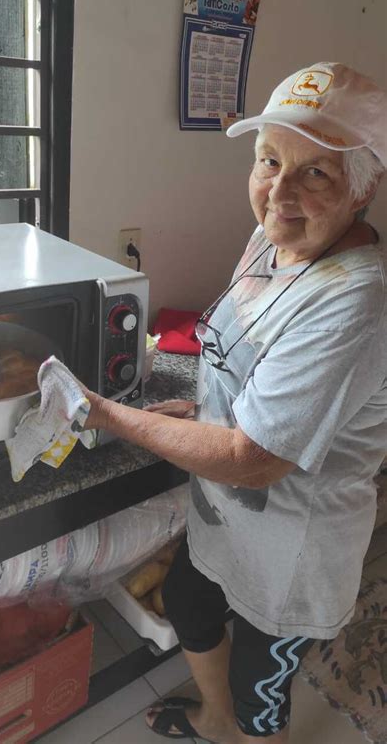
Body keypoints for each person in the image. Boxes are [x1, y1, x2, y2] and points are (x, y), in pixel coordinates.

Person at [83, 62, 387, 742]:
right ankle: (215, 720)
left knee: (262, 698)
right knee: (189, 602)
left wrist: (112, 416)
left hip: (291, 560)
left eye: (316, 172)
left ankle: (241, 727)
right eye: (268, 161)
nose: (278, 191)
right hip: (225, 521)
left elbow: (255, 458)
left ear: (363, 189)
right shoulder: (270, 241)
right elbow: (242, 362)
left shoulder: (356, 302)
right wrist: (197, 414)